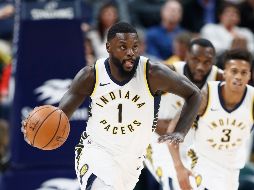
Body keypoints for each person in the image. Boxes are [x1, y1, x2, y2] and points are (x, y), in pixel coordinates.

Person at [22, 22, 201, 190]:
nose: (130, 52)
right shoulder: (91, 75)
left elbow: (194, 94)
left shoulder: (154, 73)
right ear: (108, 47)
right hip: (97, 152)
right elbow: (60, 116)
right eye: (123, 46)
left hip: (132, 162)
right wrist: (36, 126)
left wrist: (180, 131)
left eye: (135, 46)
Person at [162, 49, 254, 190]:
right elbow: (173, 131)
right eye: (234, 71)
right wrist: (179, 168)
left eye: (243, 72)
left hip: (231, 170)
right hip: (201, 164)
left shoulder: (252, 99)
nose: (238, 76)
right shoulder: (205, 97)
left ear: (249, 76)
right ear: (225, 73)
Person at [144, 38, 223, 190]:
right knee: (176, 181)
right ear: (186, 56)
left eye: (207, 62)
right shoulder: (169, 73)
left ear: (213, 61)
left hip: (192, 145)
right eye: (195, 60)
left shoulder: (220, 79)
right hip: (158, 142)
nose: (200, 66)